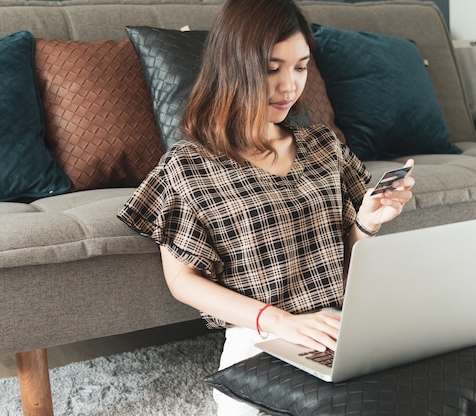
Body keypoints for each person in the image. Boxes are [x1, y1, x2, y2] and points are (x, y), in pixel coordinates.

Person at [118, 0, 415, 413]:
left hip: (337, 330)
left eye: (300, 67)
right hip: (259, 340)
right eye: (272, 68)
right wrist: (280, 321)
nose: (290, 86)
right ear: (232, 65)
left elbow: (343, 266)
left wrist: (365, 224)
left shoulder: (324, 147)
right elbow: (182, 282)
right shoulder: (188, 165)